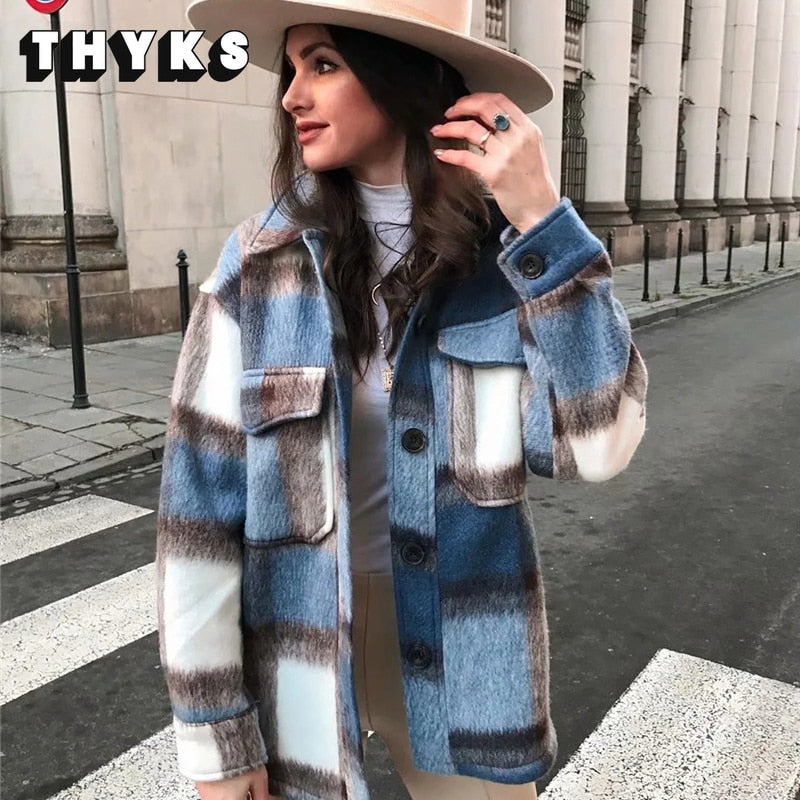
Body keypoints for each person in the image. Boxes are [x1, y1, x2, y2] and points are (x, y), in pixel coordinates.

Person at [156, 1, 649, 799]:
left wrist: (541, 218)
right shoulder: (260, 265)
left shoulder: (509, 262)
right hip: (300, 644)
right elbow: (197, 514)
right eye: (293, 69)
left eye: (324, 64)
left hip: (466, 646)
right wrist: (217, 733)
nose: (292, 95)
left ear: (400, 77)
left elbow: (601, 446)